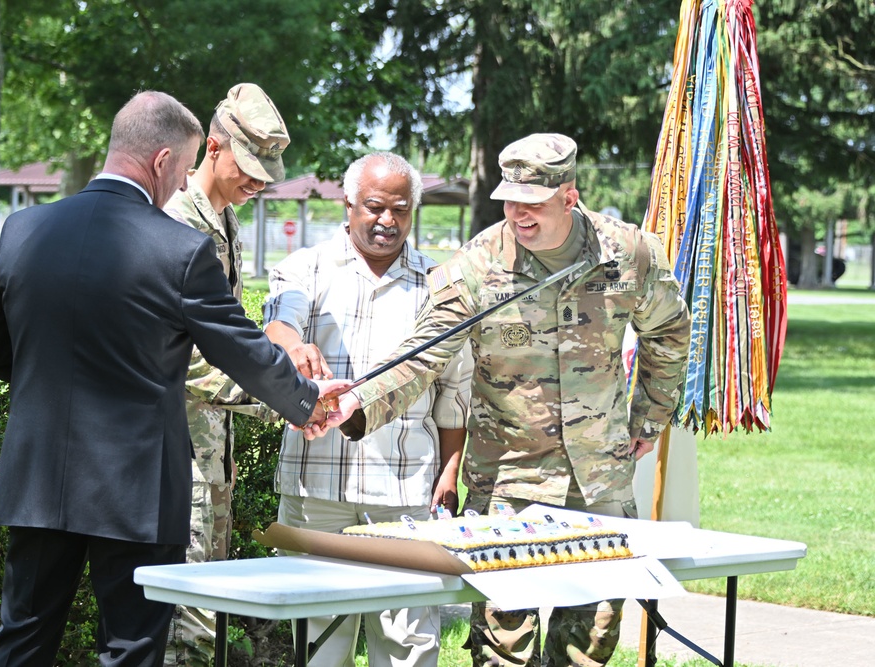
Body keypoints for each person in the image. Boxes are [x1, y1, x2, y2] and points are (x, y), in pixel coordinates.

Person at [0, 90, 345, 666]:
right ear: (162, 160)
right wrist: (305, 400)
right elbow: (241, 349)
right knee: (130, 648)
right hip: (137, 490)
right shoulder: (179, 248)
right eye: (181, 170)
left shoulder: (23, 229)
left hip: (38, 479)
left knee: (21, 640)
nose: (179, 187)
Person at [326, 134, 692, 667]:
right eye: (509, 199)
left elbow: (670, 330)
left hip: (598, 481)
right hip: (507, 482)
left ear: (569, 196)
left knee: (589, 645)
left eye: (534, 203)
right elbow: (422, 355)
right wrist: (357, 403)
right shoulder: (474, 266)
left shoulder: (627, 252)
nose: (518, 213)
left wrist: (650, 415)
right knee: (503, 649)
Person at [263, 152, 472, 667]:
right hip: (316, 490)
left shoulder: (440, 283)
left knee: (408, 643)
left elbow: (455, 391)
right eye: (375, 207)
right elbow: (279, 321)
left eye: (401, 210)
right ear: (349, 203)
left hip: (403, 491)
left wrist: (450, 472)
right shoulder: (304, 268)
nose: (387, 221)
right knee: (316, 640)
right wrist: (293, 348)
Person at [161, 82, 288, 667]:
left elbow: (229, 334)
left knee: (205, 605)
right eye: (250, 168)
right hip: (175, 449)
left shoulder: (224, 220)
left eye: (267, 173)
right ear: (213, 146)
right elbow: (182, 357)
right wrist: (279, 397)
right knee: (185, 614)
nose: (258, 184)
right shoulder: (174, 219)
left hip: (212, 451)